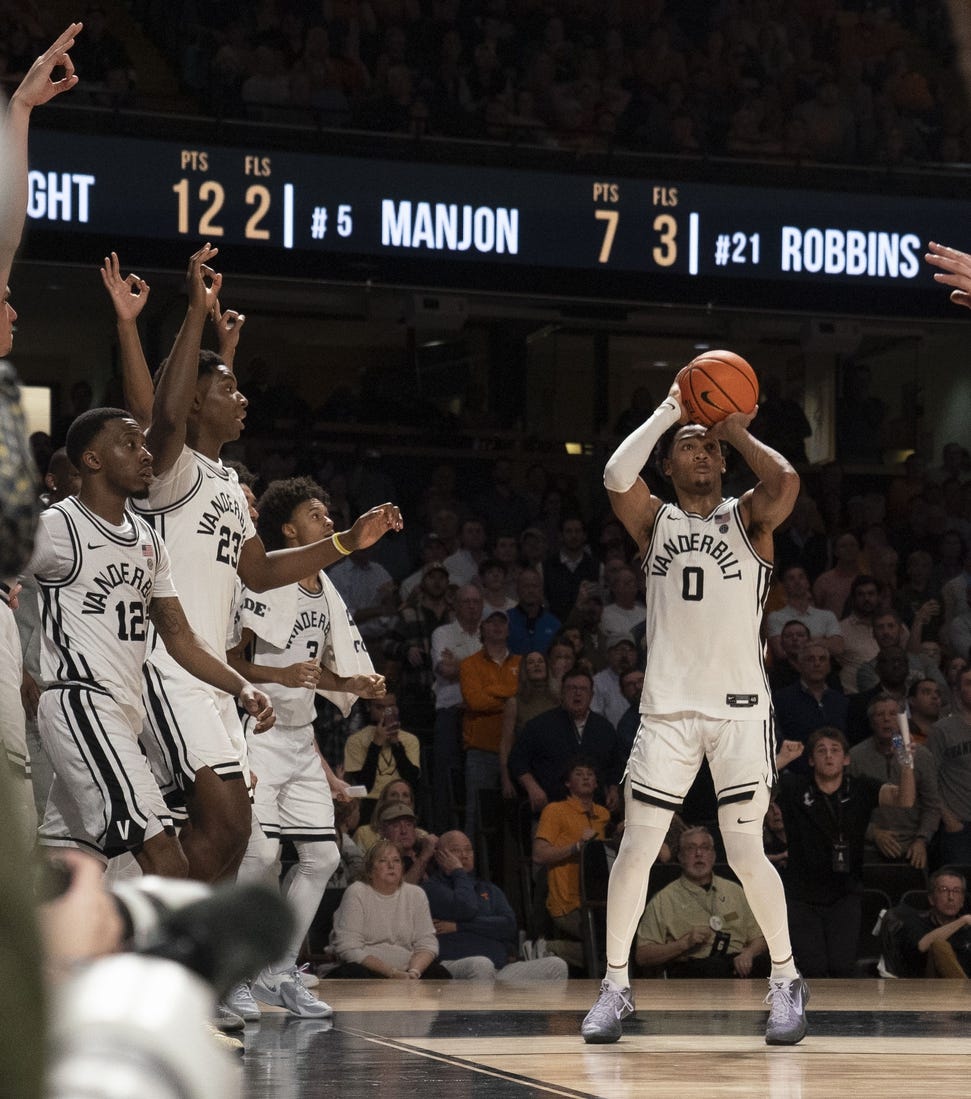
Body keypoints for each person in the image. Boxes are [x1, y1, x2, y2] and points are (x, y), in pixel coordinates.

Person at [119, 244, 401, 884]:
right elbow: (165, 411)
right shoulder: (169, 472)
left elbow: (258, 570)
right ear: (198, 402)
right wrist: (193, 312)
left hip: (215, 676)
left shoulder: (223, 481)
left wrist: (347, 543)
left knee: (231, 833)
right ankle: (161, 947)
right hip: (170, 665)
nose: (244, 399)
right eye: (231, 390)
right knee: (223, 822)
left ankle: (182, 953)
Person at [583, 371, 807, 1046]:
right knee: (636, 845)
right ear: (670, 461)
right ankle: (614, 987)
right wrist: (670, 410)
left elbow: (787, 482)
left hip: (739, 709)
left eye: (708, 448)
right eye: (688, 445)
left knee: (744, 847)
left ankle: (785, 980)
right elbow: (613, 476)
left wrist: (733, 424)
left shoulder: (748, 516)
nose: (700, 454)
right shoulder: (654, 518)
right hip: (667, 712)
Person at [29, 408, 273, 876]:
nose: (145, 454)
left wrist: (240, 686)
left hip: (123, 712)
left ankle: (41, 948)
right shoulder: (60, 526)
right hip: (82, 701)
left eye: (143, 445)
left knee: (69, 866)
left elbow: (180, 637)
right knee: (167, 863)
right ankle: (177, 952)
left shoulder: (146, 539)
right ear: (93, 460)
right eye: (130, 444)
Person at [224, 475, 385, 1021]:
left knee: (323, 855)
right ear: (290, 528)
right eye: (317, 515)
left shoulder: (326, 588)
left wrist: (352, 684)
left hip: (300, 737)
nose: (329, 521)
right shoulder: (265, 578)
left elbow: (315, 676)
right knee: (263, 855)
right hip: (258, 733)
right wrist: (283, 672)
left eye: (328, 513)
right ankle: (233, 973)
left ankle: (278, 970)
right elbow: (232, 661)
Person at [776, 727, 915, 978]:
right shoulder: (795, 788)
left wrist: (906, 765)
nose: (828, 756)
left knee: (842, 967)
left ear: (846, 758)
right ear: (810, 760)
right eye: (821, 750)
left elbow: (904, 800)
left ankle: (839, 1019)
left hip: (845, 893)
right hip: (802, 895)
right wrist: (781, 761)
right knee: (813, 968)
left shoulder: (861, 788)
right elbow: (756, 788)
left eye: (835, 750)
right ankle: (812, 1016)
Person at [422, 830, 567, 981]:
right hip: (455, 964)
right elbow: (466, 908)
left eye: (468, 850)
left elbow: (509, 926)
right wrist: (458, 872)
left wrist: (459, 926)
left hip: (499, 968)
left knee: (556, 965)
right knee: (482, 965)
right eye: (456, 850)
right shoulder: (432, 888)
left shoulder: (489, 889)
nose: (464, 855)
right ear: (439, 855)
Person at [634, 827, 768, 978]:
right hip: (694, 969)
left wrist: (749, 954)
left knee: (773, 965)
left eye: (705, 848)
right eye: (691, 848)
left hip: (739, 965)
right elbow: (642, 956)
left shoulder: (735, 891)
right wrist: (683, 944)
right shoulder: (663, 899)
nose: (699, 854)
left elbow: (760, 938)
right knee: (714, 968)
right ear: (680, 857)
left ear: (713, 856)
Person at [327, 839, 451, 979]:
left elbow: (427, 944)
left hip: (408, 970)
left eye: (396, 860)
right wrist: (392, 973)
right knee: (354, 973)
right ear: (369, 870)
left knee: (439, 974)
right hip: (369, 970)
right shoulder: (357, 892)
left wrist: (414, 973)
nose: (391, 865)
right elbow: (349, 948)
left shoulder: (416, 894)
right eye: (383, 861)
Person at [532, 756, 612, 970]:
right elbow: (539, 854)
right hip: (567, 902)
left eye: (590, 774)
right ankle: (550, 948)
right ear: (568, 783)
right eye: (579, 774)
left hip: (598, 899)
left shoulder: (603, 815)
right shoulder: (555, 810)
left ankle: (550, 949)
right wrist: (576, 847)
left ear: (597, 783)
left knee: (615, 940)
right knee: (604, 940)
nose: (586, 778)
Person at [510, 667, 625, 814]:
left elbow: (615, 765)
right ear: (562, 693)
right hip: (550, 808)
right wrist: (532, 787)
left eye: (583, 689)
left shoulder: (604, 728)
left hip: (594, 810)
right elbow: (517, 760)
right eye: (572, 688)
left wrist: (613, 789)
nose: (577, 693)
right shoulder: (540, 725)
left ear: (591, 695)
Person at [848, 694, 940, 869]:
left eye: (892, 714)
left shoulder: (921, 756)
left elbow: (932, 806)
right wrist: (872, 833)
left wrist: (922, 840)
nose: (886, 719)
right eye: (879, 714)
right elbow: (847, 807)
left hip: (913, 844)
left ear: (901, 720)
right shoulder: (855, 757)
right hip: (870, 845)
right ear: (871, 721)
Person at [458, 609, 521, 838]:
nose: (496, 626)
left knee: (515, 817)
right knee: (476, 814)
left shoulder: (521, 663)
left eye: (502, 622)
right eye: (491, 622)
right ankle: (467, 868)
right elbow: (475, 701)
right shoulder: (468, 665)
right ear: (482, 628)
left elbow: (522, 697)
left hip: (516, 751)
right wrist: (510, 699)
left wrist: (493, 692)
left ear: (508, 629)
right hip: (481, 749)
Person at [429, 584, 483, 833]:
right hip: (451, 713)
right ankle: (443, 835)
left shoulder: (487, 634)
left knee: (478, 782)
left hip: (482, 714)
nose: (472, 606)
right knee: (444, 779)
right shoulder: (444, 633)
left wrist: (461, 665)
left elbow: (458, 670)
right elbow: (444, 670)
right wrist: (480, 668)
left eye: (476, 602)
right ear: (456, 605)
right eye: (466, 602)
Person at [772, 641, 849, 769]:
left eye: (822, 659)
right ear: (799, 665)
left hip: (836, 772)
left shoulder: (841, 701)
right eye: (810, 659)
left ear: (829, 666)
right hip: (796, 773)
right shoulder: (781, 699)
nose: (817, 663)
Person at [343, 692, 422, 810]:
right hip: (370, 802)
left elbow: (411, 780)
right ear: (369, 707)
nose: (386, 713)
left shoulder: (410, 740)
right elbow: (364, 786)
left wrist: (396, 744)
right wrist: (376, 744)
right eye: (380, 707)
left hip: (401, 802)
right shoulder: (355, 740)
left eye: (391, 707)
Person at [925, 663, 971, 865]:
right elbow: (928, 779)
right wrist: (948, 819)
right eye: (969, 683)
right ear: (957, 689)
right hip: (958, 824)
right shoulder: (941, 729)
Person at [891, 867, 971, 977]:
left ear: (962, 901)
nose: (951, 897)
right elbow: (922, 945)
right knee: (939, 946)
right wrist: (962, 921)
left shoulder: (968, 928)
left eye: (956, 891)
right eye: (943, 890)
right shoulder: (914, 922)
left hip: (963, 986)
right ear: (931, 898)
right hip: (929, 989)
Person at [765, 564, 844, 663]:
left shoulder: (827, 616)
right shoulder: (775, 617)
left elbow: (838, 648)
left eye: (801, 577)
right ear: (784, 585)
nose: (797, 582)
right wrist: (822, 641)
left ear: (807, 583)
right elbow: (781, 652)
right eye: (791, 578)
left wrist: (800, 644)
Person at [353, 778, 428, 853]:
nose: (400, 799)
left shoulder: (422, 835)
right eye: (393, 795)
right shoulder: (364, 833)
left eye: (405, 795)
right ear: (383, 801)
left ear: (411, 804)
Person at [506, 567, 561, 655]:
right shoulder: (505, 620)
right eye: (526, 586)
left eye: (535, 586)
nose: (530, 590)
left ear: (541, 590)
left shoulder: (554, 624)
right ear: (517, 590)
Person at [591, 633, 639, 728]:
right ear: (608, 654)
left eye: (630, 650)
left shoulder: (642, 679)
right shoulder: (598, 682)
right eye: (619, 650)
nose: (625, 655)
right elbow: (595, 717)